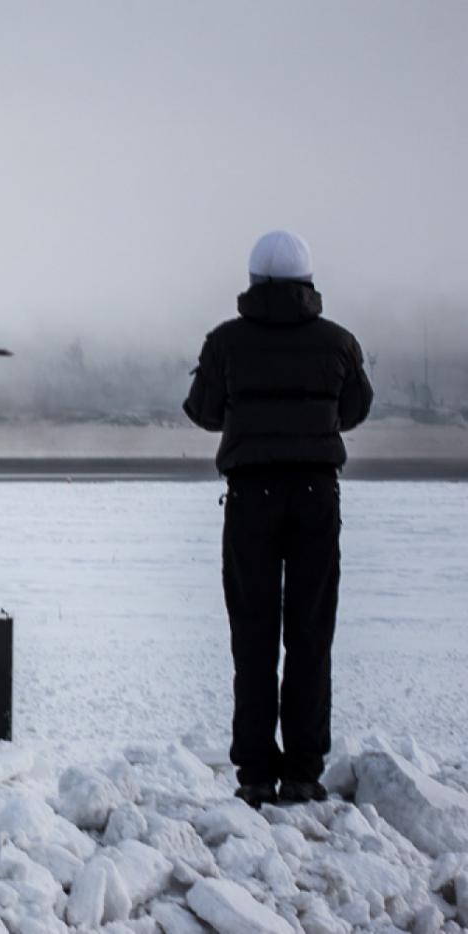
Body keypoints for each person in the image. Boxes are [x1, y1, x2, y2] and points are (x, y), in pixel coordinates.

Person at [183, 230, 373, 808]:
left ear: (253, 281)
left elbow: (203, 411)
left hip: (251, 498)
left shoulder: (226, 342)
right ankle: (303, 772)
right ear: (309, 282)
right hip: (316, 495)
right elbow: (357, 409)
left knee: (254, 636)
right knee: (311, 635)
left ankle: (256, 774)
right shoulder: (339, 343)